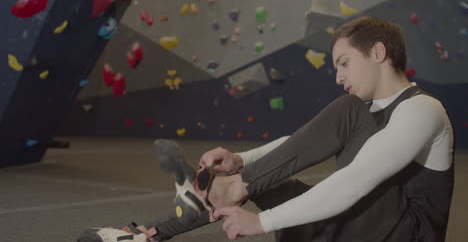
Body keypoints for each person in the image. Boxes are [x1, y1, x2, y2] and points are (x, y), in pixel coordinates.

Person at [78, 16, 455, 242]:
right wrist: (240, 161)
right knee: (256, 177)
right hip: (358, 226)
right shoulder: (364, 109)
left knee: (346, 113)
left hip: (404, 234)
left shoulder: (423, 110)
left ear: (378, 52)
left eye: (343, 63)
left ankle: (230, 189)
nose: (338, 77)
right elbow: (297, 143)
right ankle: (148, 235)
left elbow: (354, 182)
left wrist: (262, 221)